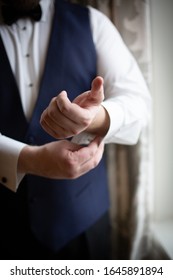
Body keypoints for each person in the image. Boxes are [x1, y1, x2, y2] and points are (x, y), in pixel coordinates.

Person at [0, 0, 151, 260]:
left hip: (84, 229)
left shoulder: (93, 22)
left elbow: (139, 102)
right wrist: (27, 159)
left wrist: (96, 118)